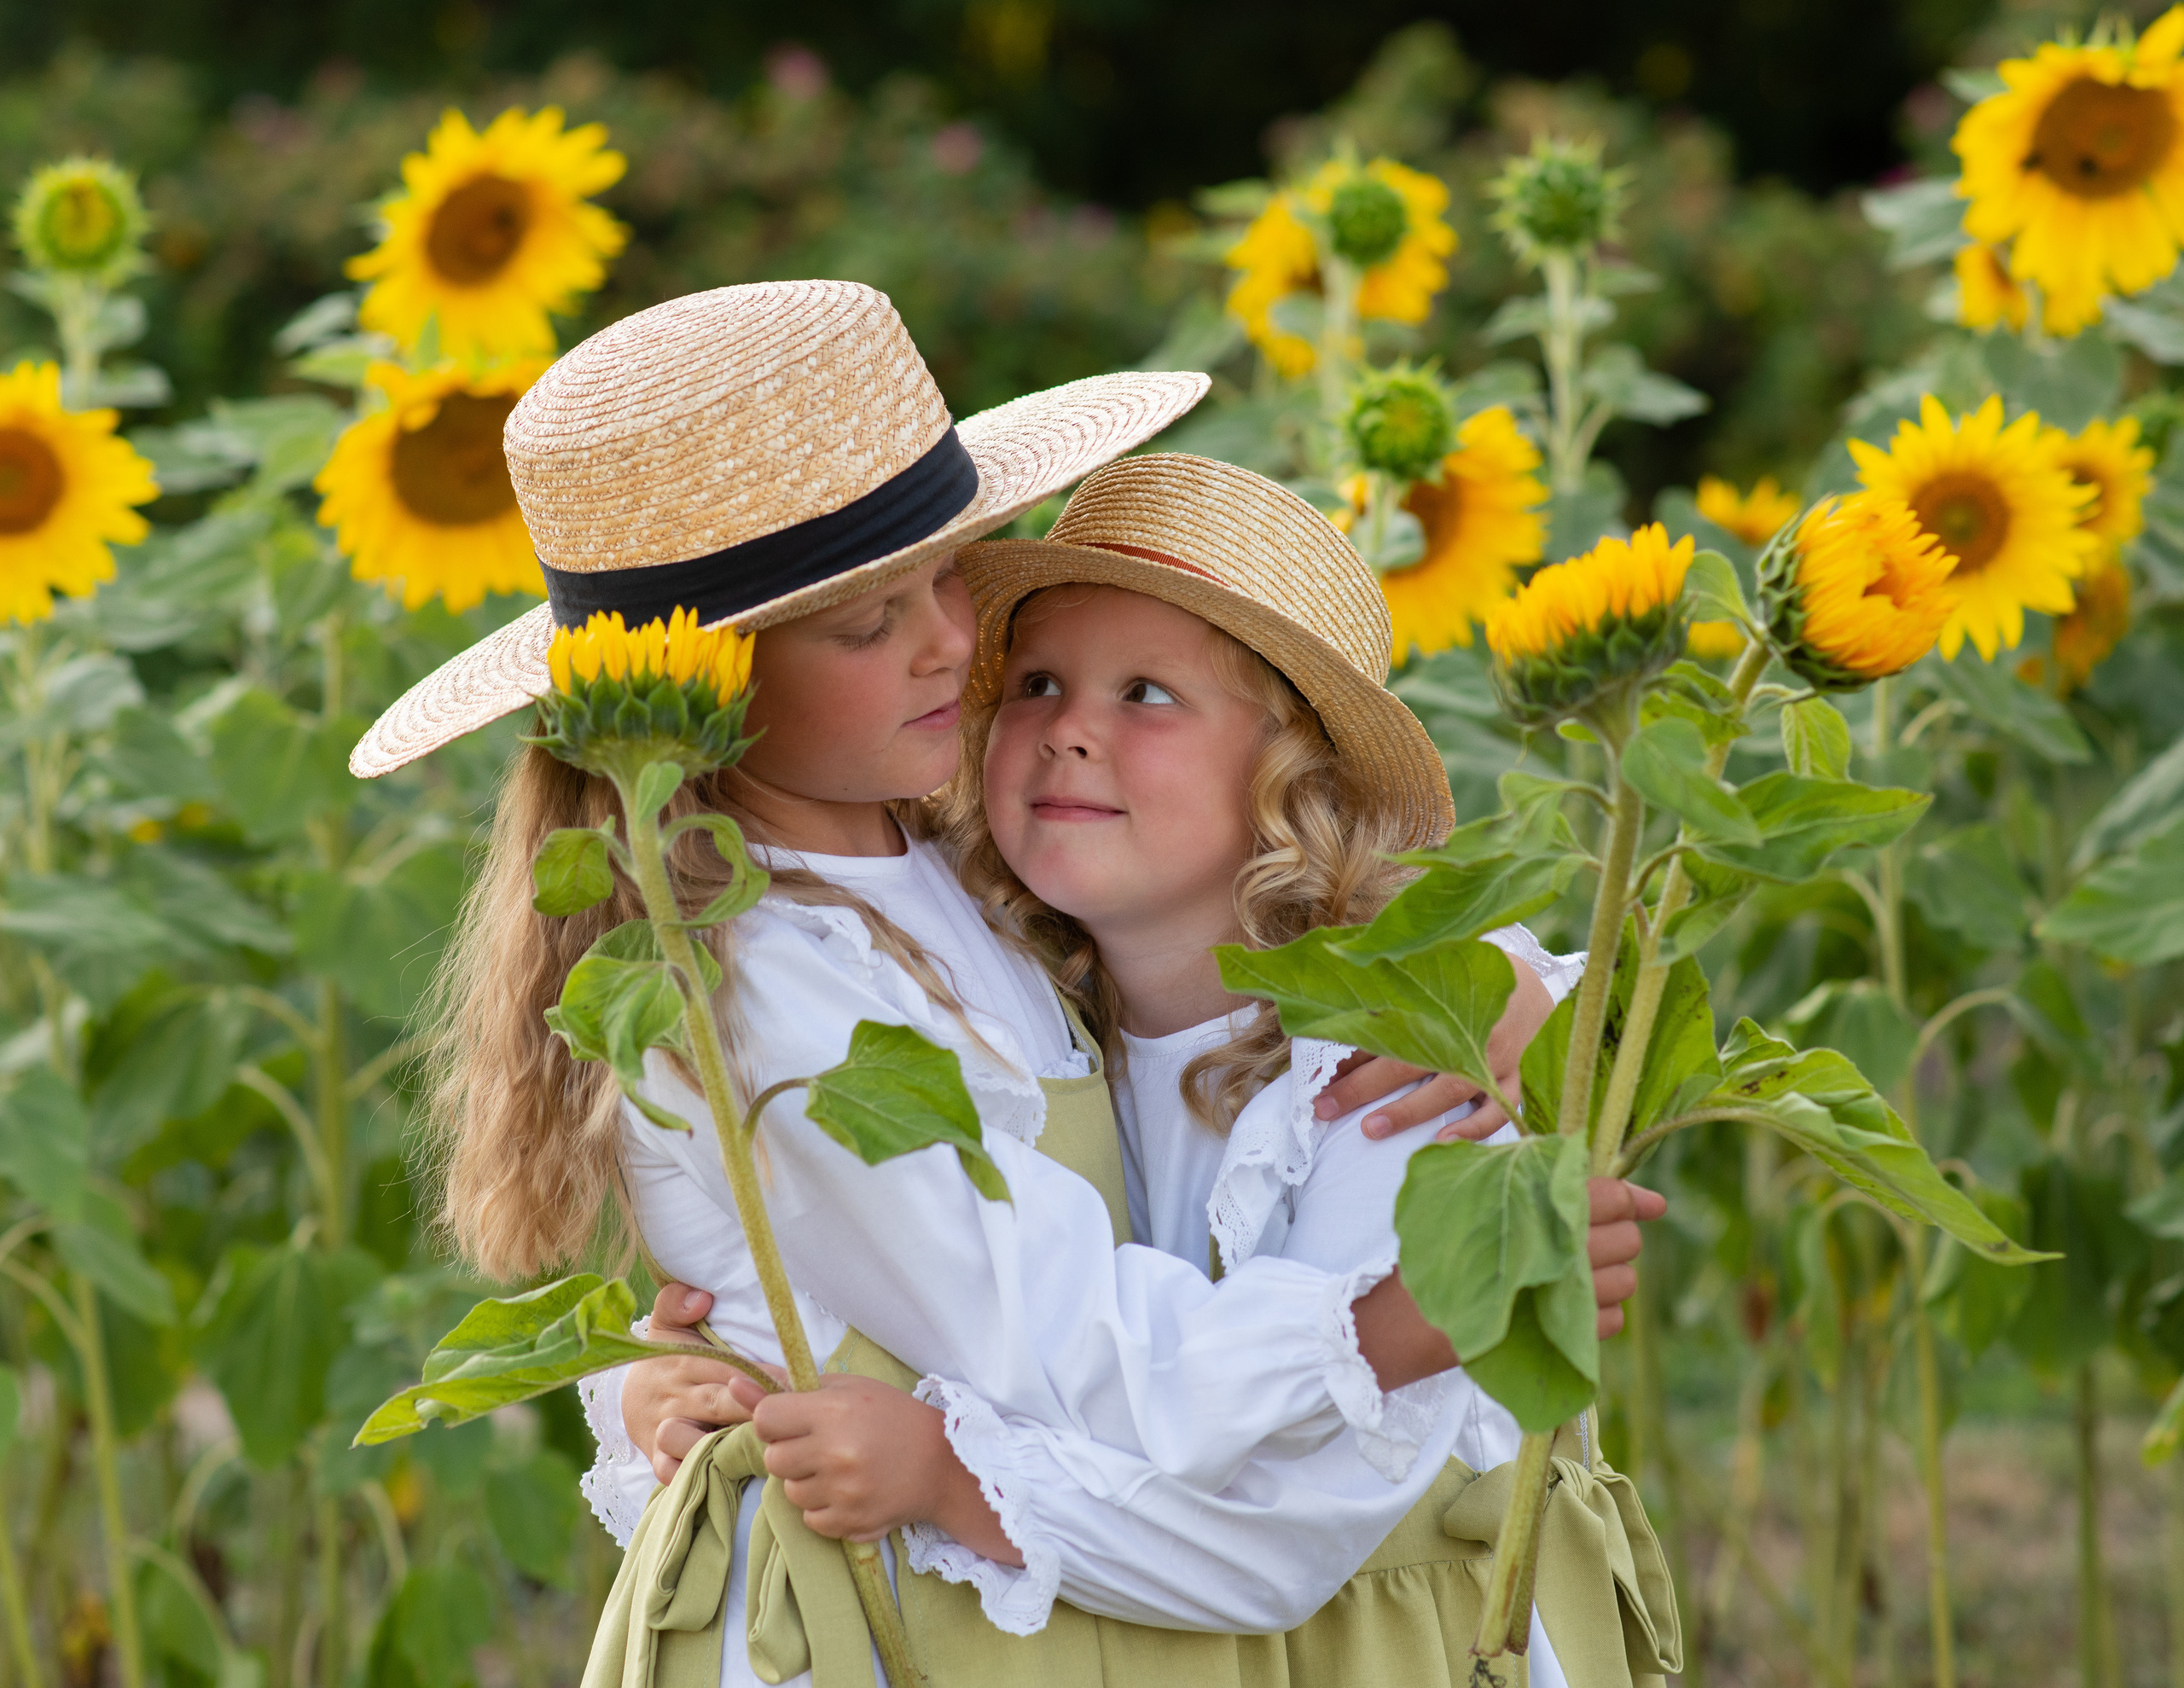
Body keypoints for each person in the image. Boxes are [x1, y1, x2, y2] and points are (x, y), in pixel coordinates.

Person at [351, 282, 1660, 1686]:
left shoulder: (962, 882)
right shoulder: (763, 977)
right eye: (869, 625)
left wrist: (1504, 994)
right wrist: (1395, 1327)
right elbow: (1051, 1337)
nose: (945, 649)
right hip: (894, 1615)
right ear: (702, 686)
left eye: (950, 584)